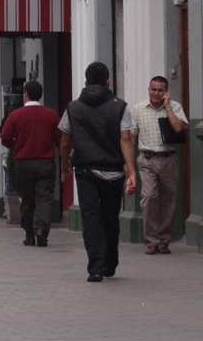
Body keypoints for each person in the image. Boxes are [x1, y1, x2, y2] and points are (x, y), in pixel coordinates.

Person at [59, 62, 137, 281]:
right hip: (113, 171)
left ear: (85, 83)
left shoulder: (73, 107)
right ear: (108, 82)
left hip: (85, 169)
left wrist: (64, 162)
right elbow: (125, 138)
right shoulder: (121, 107)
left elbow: (65, 140)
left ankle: (96, 267)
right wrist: (131, 171)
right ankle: (110, 263)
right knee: (110, 216)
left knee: (91, 216)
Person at [0, 81, 61, 247]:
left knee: (27, 199)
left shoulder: (16, 115)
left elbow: (5, 137)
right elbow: (60, 138)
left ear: (25, 94)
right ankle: (41, 229)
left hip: (23, 162)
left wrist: (17, 145)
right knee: (44, 198)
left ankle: (29, 233)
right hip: (45, 163)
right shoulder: (51, 115)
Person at [131, 75, 188, 255]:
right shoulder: (138, 109)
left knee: (168, 200)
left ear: (166, 92)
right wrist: (128, 164)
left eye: (160, 90)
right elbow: (131, 137)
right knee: (149, 197)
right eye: (153, 89)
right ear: (148, 89)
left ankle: (163, 240)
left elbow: (178, 128)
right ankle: (151, 240)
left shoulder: (175, 107)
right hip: (147, 159)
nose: (155, 93)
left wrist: (168, 106)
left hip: (168, 158)